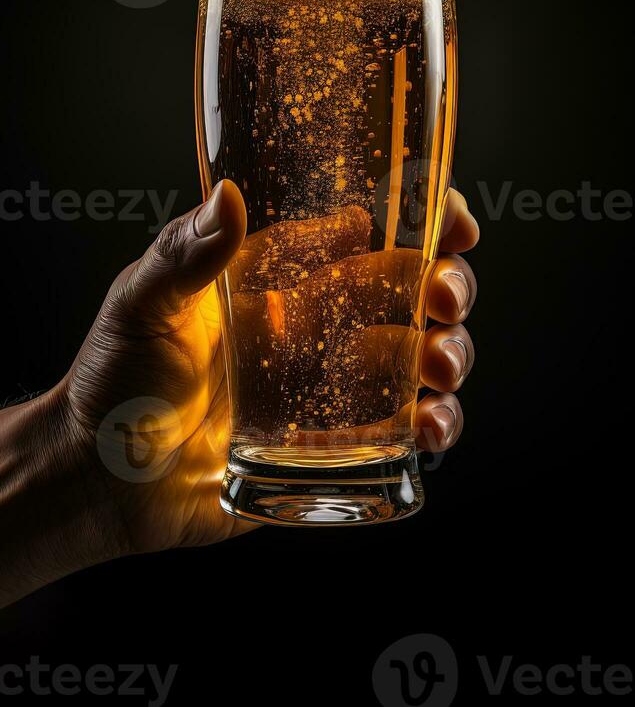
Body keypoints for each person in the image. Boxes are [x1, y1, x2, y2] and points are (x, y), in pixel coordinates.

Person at [0, 181, 479, 609]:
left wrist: (85, 467)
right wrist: (84, 459)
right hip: (217, 451)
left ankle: (369, 464)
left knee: (426, 299)